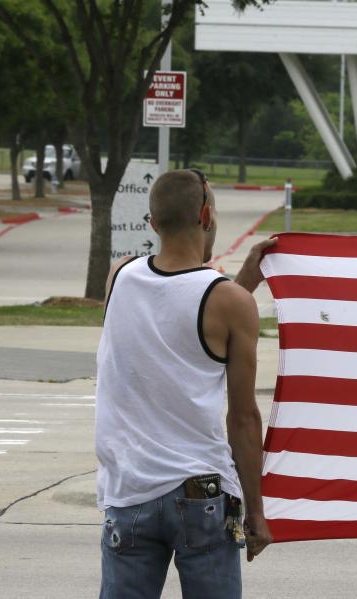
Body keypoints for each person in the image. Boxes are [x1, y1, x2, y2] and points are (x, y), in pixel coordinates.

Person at [95, 168, 276, 598]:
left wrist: (241, 284)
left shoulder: (118, 276)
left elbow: (171, 311)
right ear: (206, 215)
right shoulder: (231, 303)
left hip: (129, 493)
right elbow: (244, 419)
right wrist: (257, 512)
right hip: (203, 495)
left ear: (153, 224)